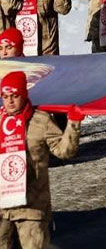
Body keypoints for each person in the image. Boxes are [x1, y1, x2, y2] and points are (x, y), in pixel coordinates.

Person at [0, 71, 82, 248]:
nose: (10, 101)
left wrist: (73, 124)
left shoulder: (41, 120)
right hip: (2, 206)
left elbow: (65, 151)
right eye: (5, 97)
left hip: (32, 206)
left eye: (15, 96)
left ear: (24, 94)